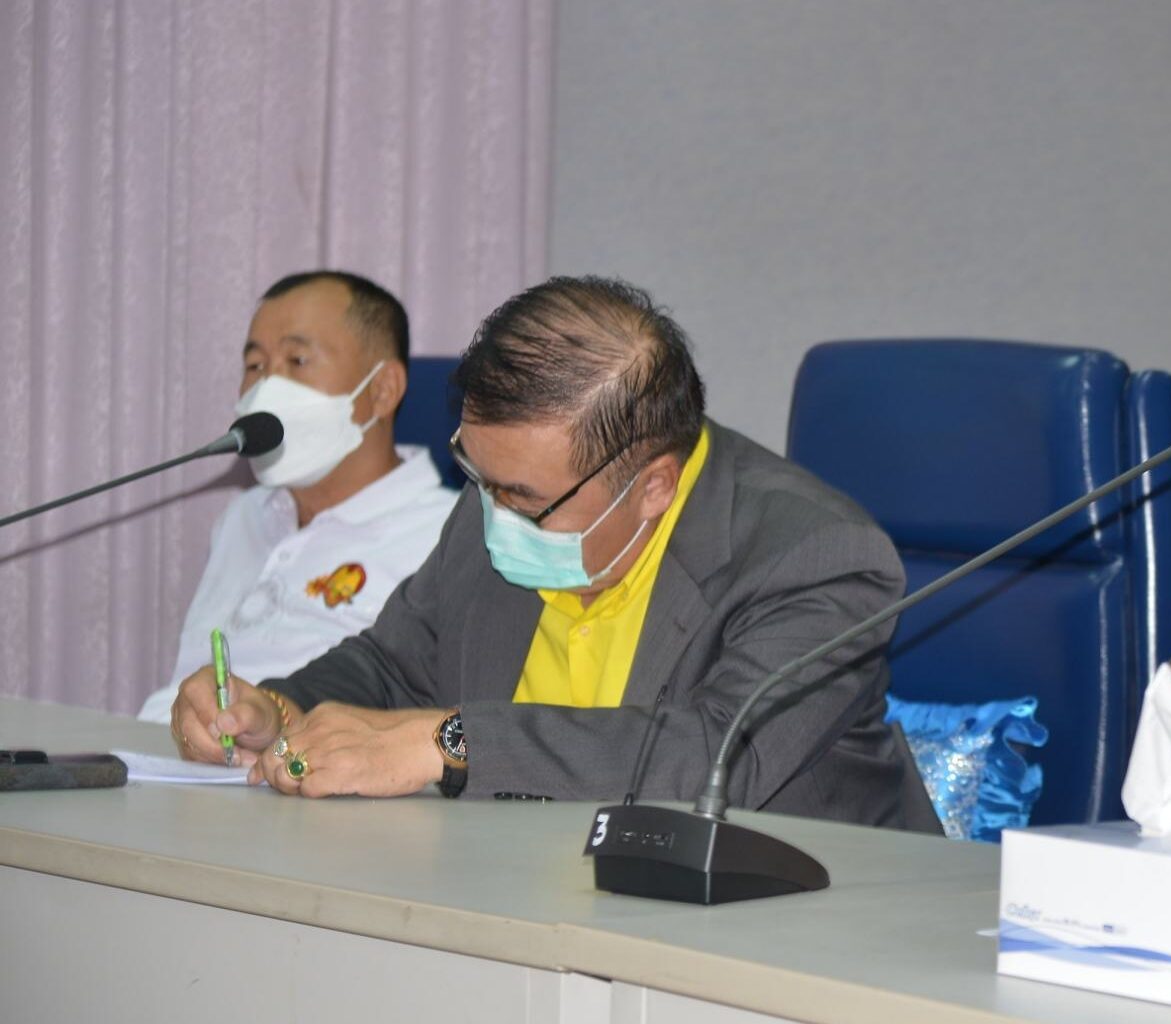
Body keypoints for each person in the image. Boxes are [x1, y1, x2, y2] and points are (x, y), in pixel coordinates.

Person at [167, 275, 938, 831]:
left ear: (654, 487)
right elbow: (395, 664)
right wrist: (278, 706)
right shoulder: (506, 493)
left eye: (522, 497)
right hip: (537, 891)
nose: (492, 511)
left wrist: (448, 744)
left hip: (788, 921)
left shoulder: (815, 552)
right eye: (480, 478)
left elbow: (714, 754)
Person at [137, 271, 457, 723]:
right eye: (255, 366)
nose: (267, 387)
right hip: (163, 747)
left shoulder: (450, 536)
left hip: (296, 757)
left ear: (382, 390)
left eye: (297, 360)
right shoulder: (244, 515)